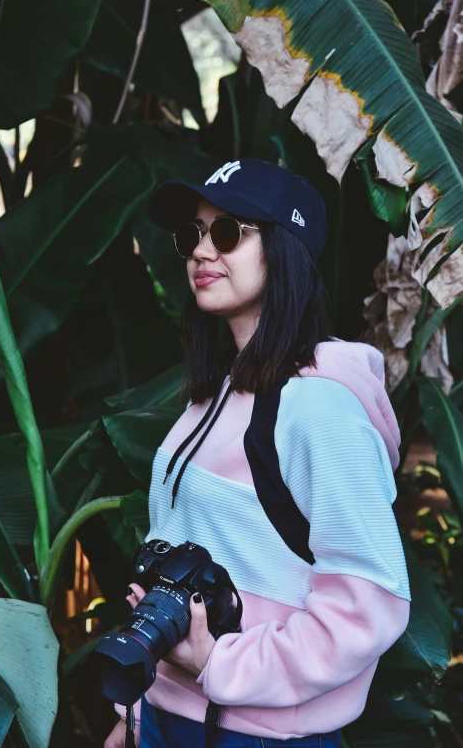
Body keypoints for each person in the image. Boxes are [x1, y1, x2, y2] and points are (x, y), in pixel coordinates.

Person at [104, 158, 411, 748]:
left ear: (284, 250)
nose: (199, 252)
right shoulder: (214, 395)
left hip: (257, 733)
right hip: (168, 715)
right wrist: (136, 714)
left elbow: (370, 603)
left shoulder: (320, 408)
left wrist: (225, 666)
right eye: (192, 234)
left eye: (225, 233)